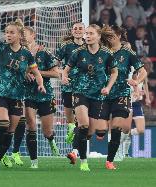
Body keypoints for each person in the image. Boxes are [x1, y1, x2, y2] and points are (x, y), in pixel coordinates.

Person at [0, 6, 46, 172]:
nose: (7, 35)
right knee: (3, 122)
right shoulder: (1, 47)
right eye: (6, 32)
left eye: (11, 32)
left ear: (19, 35)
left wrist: (41, 84)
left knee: (10, 131)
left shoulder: (26, 54)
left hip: (17, 96)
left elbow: (36, 72)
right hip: (0, 93)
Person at [61, 24, 118, 171]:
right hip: (80, 92)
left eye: (91, 33)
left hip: (98, 95)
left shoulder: (106, 53)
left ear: (98, 36)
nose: (87, 36)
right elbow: (66, 70)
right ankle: (83, 161)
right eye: (86, 33)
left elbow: (114, 73)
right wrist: (64, 77)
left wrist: (108, 87)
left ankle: (75, 150)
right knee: (84, 124)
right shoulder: (78, 52)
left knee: (90, 131)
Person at [106, 25, 147, 169]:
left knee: (123, 127)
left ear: (118, 36)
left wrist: (136, 84)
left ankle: (114, 155)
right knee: (97, 129)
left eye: (112, 35)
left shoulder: (128, 54)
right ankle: (78, 150)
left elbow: (143, 73)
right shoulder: (102, 50)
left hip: (124, 94)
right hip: (103, 93)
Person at [22, 26, 60, 168]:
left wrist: (37, 73)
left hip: (44, 94)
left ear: (33, 35)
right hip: (27, 94)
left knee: (47, 131)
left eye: (25, 34)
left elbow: (56, 74)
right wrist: (23, 74)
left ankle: (51, 140)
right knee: (30, 124)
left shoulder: (45, 52)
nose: (23, 38)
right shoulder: (20, 53)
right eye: (21, 35)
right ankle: (34, 161)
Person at [56, 22, 85, 165]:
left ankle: (75, 151)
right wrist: (62, 74)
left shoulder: (90, 45)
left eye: (80, 28)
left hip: (84, 88)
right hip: (68, 87)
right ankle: (70, 128)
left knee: (81, 121)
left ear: (85, 31)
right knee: (70, 120)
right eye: (75, 29)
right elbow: (54, 63)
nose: (78, 31)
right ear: (72, 32)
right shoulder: (66, 46)